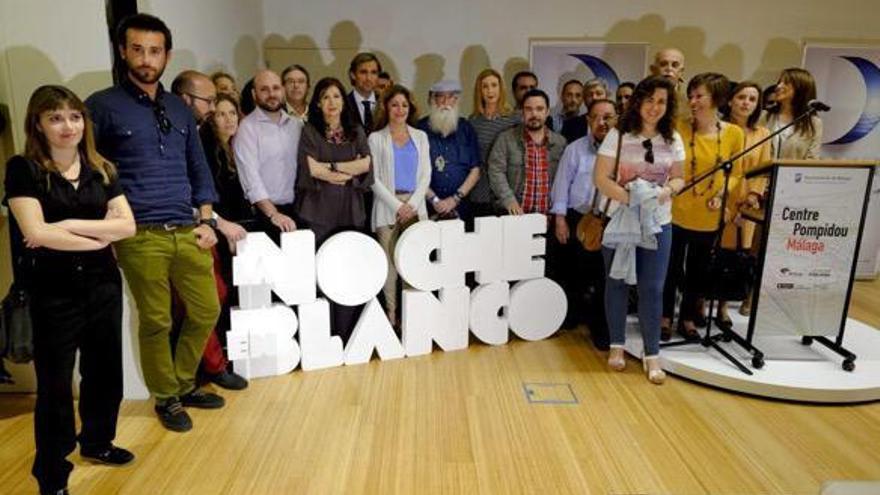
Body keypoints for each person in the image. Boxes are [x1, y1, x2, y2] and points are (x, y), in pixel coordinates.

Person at [86, 13, 224, 432]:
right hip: (139, 234)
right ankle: (166, 397)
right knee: (157, 319)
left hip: (187, 229)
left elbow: (198, 168)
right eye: (138, 49)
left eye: (155, 50)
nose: (147, 59)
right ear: (124, 51)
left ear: (166, 55)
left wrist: (207, 220)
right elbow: (93, 170)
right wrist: (107, 226)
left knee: (205, 310)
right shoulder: (102, 106)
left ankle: (183, 384)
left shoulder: (180, 111)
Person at [5, 85, 136, 495]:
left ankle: (98, 442)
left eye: (74, 116)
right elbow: (34, 231)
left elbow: (128, 227)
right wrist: (98, 238)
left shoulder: (102, 169)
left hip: (102, 288)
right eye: (56, 117)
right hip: (53, 292)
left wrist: (63, 228)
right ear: (38, 125)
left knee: (104, 372)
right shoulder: (23, 168)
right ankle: (52, 473)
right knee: (57, 385)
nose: (67, 126)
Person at [593, 76, 685, 384]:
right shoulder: (618, 134)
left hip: (658, 223)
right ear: (638, 102)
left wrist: (663, 192)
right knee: (616, 282)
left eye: (661, 101)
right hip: (620, 221)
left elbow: (679, 179)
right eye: (649, 100)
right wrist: (632, 198)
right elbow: (602, 178)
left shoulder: (673, 138)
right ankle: (616, 345)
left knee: (652, 288)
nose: (654, 107)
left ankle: (652, 354)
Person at [175, 71, 249, 391]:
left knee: (213, 298)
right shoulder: (196, 139)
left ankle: (204, 370)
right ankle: (202, 373)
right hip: (190, 231)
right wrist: (218, 223)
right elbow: (189, 191)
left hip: (209, 228)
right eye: (211, 104)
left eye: (229, 111)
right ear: (185, 99)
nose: (214, 110)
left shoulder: (217, 143)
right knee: (204, 301)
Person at [662, 73, 744, 341]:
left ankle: (687, 317)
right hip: (675, 211)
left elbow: (736, 172)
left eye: (700, 96)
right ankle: (664, 316)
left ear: (716, 99)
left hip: (709, 214)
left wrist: (722, 194)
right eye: (691, 95)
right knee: (671, 268)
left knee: (698, 270)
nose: (693, 101)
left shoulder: (733, 133)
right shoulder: (678, 127)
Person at [296, 77, 373, 341]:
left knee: (349, 271)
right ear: (318, 103)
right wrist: (343, 167)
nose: (332, 102)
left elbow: (365, 165)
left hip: (351, 210)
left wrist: (330, 168)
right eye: (326, 97)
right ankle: (323, 336)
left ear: (343, 101)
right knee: (322, 272)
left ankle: (348, 333)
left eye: (337, 96)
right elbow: (311, 169)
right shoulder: (310, 131)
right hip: (318, 212)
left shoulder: (356, 130)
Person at [549, 98, 617, 347]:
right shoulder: (575, 149)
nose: (602, 122)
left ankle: (601, 328)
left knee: (605, 277)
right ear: (588, 120)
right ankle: (571, 317)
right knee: (574, 272)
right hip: (579, 218)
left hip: (612, 221)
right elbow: (561, 186)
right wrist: (560, 220)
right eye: (596, 117)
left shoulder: (625, 152)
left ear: (616, 119)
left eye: (608, 116)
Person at [368, 85, 431, 325]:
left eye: (404, 105)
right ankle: (391, 316)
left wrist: (412, 204)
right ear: (386, 107)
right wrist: (397, 206)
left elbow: (426, 174)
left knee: (412, 263)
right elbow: (372, 178)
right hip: (388, 208)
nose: (400, 109)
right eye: (394, 104)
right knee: (390, 265)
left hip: (415, 208)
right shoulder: (376, 139)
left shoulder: (421, 137)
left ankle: (411, 316)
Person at [719, 81, 772, 320]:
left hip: (746, 205)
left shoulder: (762, 134)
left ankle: (722, 305)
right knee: (713, 254)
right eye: (741, 97)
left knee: (736, 256)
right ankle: (699, 302)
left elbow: (763, 170)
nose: (746, 103)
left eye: (752, 99)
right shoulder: (719, 129)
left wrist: (751, 199)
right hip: (718, 201)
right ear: (730, 100)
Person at [234, 69, 303, 241]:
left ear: (283, 90)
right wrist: (273, 214)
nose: (271, 94)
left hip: (299, 211)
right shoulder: (247, 128)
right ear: (254, 93)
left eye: (276, 88)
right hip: (266, 215)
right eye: (264, 89)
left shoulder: (297, 126)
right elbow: (251, 180)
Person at [488, 88, 566, 216]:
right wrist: (509, 200)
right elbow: (495, 171)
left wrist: (558, 215)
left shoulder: (560, 143)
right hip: (513, 216)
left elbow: (564, 181)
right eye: (529, 109)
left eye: (539, 109)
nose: (534, 114)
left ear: (547, 112)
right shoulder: (506, 139)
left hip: (547, 219)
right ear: (522, 112)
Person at [417, 80, 481, 223]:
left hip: (461, 207)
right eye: (441, 96)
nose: (446, 102)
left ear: (456, 100)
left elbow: (475, 170)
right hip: (428, 208)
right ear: (433, 100)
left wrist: (455, 199)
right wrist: (434, 199)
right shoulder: (419, 129)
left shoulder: (466, 128)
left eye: (451, 97)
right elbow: (413, 171)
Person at [468, 68, 519, 218]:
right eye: (485, 86)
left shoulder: (514, 119)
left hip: (507, 191)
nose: (490, 91)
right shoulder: (473, 122)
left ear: (500, 88)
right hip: (479, 191)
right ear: (480, 91)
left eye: (494, 85)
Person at [760, 68, 823, 160]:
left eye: (785, 83)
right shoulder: (764, 116)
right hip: (763, 173)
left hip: (794, 174)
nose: (778, 86)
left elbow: (812, 158)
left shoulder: (813, 123)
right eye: (779, 82)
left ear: (801, 89)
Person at [560, 78, 609, 143]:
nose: (594, 97)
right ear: (584, 100)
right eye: (590, 95)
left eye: (598, 93)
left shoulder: (617, 123)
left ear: (606, 97)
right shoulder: (570, 125)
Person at [649, 47, 689, 120]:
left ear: (681, 72)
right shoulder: (641, 99)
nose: (669, 69)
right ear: (653, 70)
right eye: (663, 64)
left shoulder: (689, 103)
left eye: (675, 65)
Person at [346, 52, 382, 131]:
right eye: (363, 72)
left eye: (373, 72)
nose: (369, 78)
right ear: (353, 75)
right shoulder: (343, 105)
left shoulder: (386, 104)